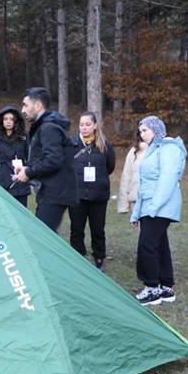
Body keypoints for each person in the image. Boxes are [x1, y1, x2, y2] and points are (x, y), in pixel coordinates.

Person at [130, 116, 187, 306]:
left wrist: (153, 208)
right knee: (160, 245)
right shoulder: (153, 150)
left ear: (156, 130)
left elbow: (167, 181)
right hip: (150, 206)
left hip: (160, 207)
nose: (142, 134)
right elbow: (144, 185)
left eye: (145, 130)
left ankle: (152, 287)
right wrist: (136, 213)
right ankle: (166, 287)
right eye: (140, 131)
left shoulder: (169, 149)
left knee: (147, 245)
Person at [13, 87, 78, 231]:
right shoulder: (44, 127)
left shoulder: (49, 128)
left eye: (25, 105)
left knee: (43, 238)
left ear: (38, 105)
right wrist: (26, 168)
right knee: (44, 237)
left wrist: (29, 173)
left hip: (54, 193)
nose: (22, 110)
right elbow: (46, 158)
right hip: (50, 192)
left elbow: (53, 160)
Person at [68, 111, 116, 269]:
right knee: (76, 228)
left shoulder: (105, 145)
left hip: (98, 195)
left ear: (95, 125)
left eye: (88, 124)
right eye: (81, 124)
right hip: (77, 195)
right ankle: (77, 256)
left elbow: (109, 167)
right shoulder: (72, 144)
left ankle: (99, 258)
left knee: (97, 229)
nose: (84, 128)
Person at [0, 105, 30, 206]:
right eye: (5, 119)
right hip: (1, 182)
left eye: (11, 119)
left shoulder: (24, 137)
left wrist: (28, 172)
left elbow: (31, 157)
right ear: (1, 121)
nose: (8, 121)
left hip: (20, 182)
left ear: (16, 121)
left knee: (20, 216)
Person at [116, 131, 148, 217]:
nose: (143, 133)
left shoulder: (161, 150)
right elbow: (126, 177)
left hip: (156, 201)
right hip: (136, 201)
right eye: (142, 131)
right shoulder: (134, 152)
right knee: (141, 230)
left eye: (146, 130)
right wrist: (123, 205)